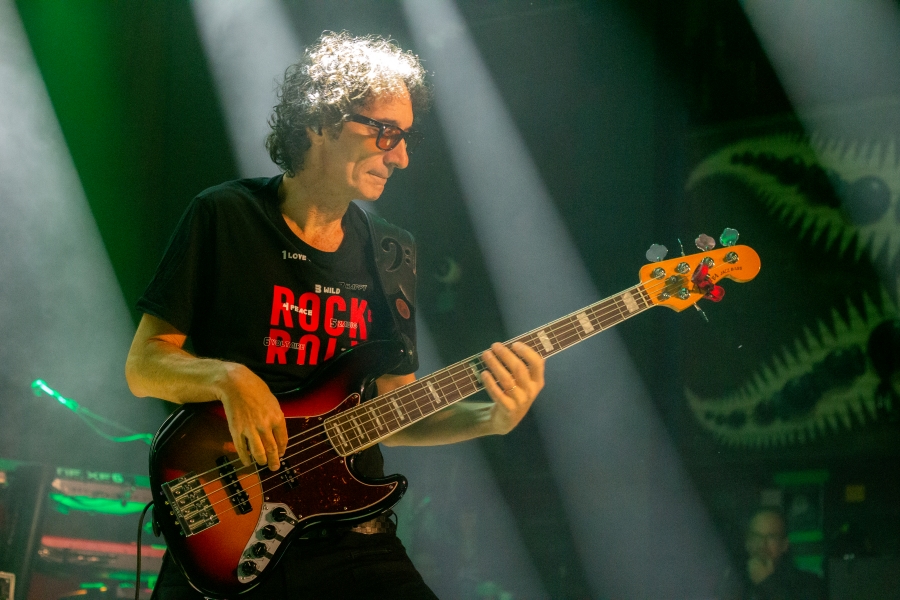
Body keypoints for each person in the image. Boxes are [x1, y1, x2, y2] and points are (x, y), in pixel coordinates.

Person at [125, 32, 545, 599]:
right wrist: (228, 379)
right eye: (386, 132)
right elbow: (144, 366)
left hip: (352, 539)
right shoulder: (225, 215)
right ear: (322, 120)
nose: (401, 156)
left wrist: (489, 418)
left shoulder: (392, 253)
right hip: (231, 527)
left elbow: (395, 412)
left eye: (406, 137)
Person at [719, 508, 826, 600]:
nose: (762, 544)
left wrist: (767, 583)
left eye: (771, 537)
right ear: (747, 542)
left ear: (784, 545)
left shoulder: (808, 583)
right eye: (756, 536)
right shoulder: (731, 581)